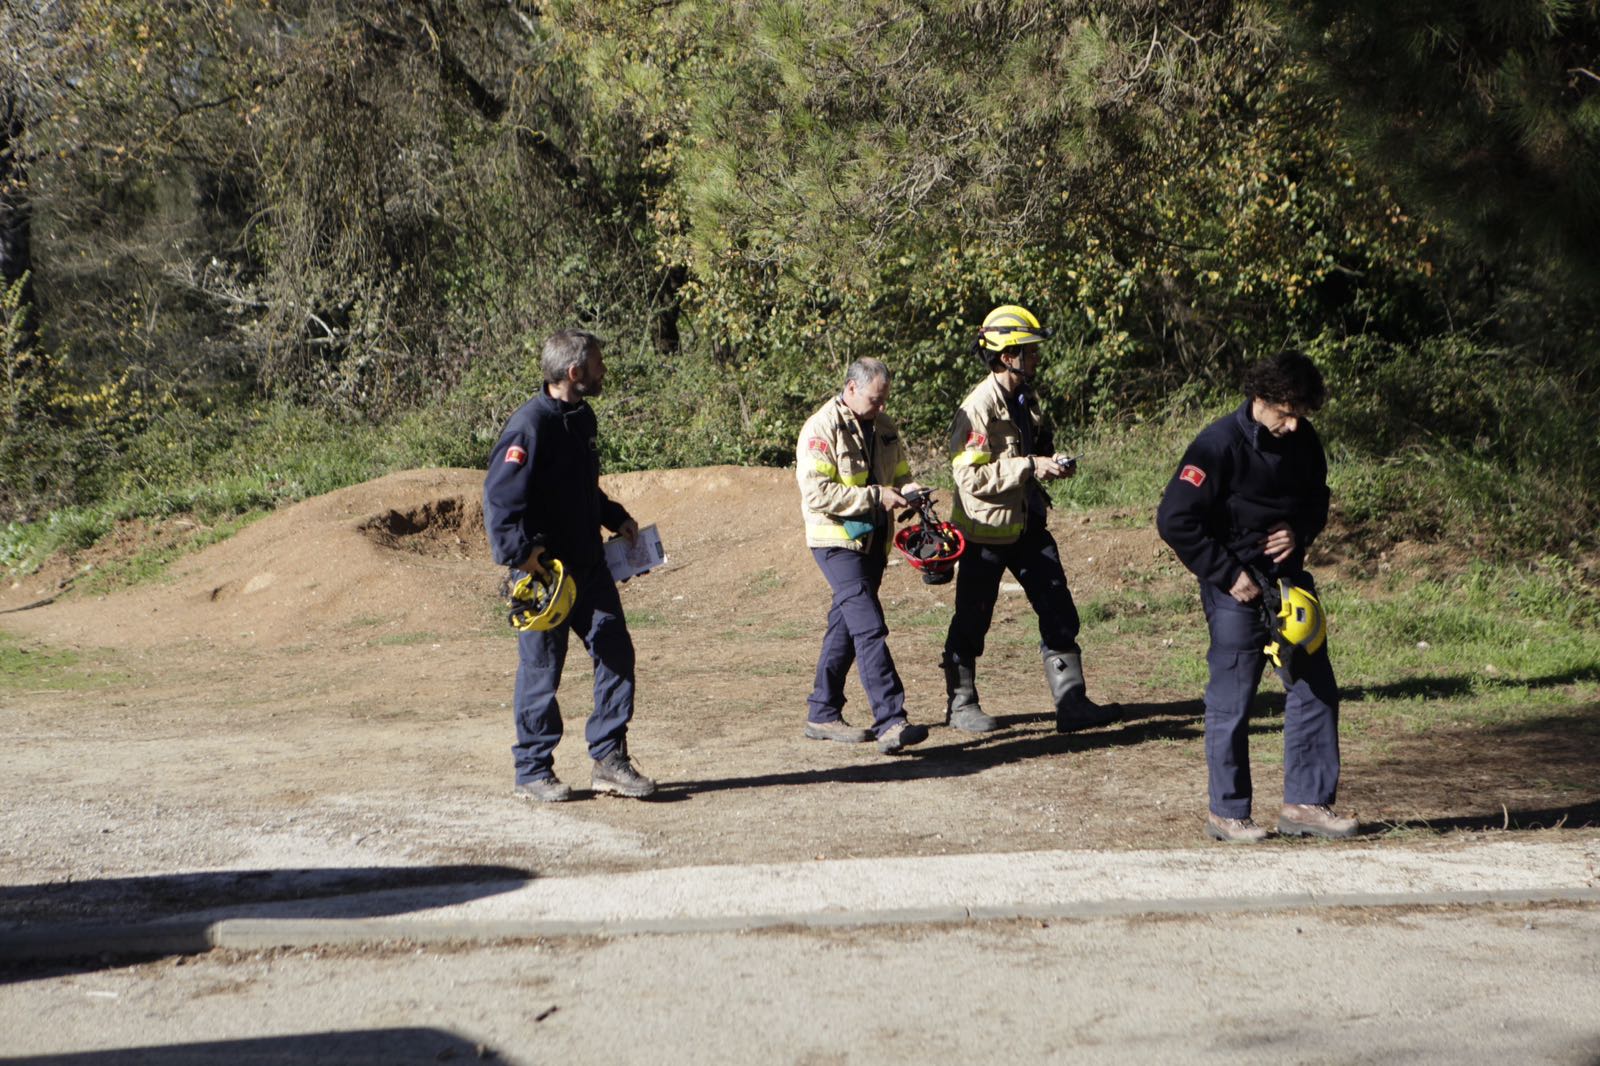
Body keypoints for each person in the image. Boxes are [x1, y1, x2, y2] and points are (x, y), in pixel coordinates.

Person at [1156, 351, 1358, 843]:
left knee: (1315, 689)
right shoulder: (1216, 445)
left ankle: (1306, 806)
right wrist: (1226, 573)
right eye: (1285, 412)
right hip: (1235, 589)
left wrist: (1299, 530)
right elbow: (1174, 520)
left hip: (1289, 587)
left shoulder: (1304, 440)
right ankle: (1228, 814)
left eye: (1300, 414)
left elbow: (1317, 500)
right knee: (1234, 700)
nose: (1292, 424)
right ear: (1260, 398)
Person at [483, 328, 657, 802]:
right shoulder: (528, 427)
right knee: (542, 670)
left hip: (591, 567)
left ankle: (609, 760)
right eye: (598, 365)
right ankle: (533, 771)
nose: (604, 372)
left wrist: (615, 517)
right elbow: (499, 501)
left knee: (616, 651)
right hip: (545, 576)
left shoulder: (582, 418)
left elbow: (582, 490)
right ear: (574, 372)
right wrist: (521, 555)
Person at [940, 305, 1115, 736]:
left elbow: (1035, 448)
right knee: (973, 617)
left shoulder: (1025, 397)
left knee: (1058, 608)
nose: (1036, 357)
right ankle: (961, 704)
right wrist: (1030, 466)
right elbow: (969, 478)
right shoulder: (978, 408)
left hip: (1026, 524)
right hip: (985, 530)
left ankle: (1071, 702)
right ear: (1005, 356)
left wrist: (1053, 462)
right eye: (1028, 350)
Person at [796, 357, 930, 755]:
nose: (882, 407)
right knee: (869, 626)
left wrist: (911, 490)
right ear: (851, 389)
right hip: (836, 541)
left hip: (874, 541)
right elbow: (817, 493)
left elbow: (900, 472)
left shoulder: (885, 427)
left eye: (885, 399)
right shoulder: (820, 428)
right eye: (876, 399)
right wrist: (876, 496)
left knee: (846, 626)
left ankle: (822, 710)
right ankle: (891, 720)